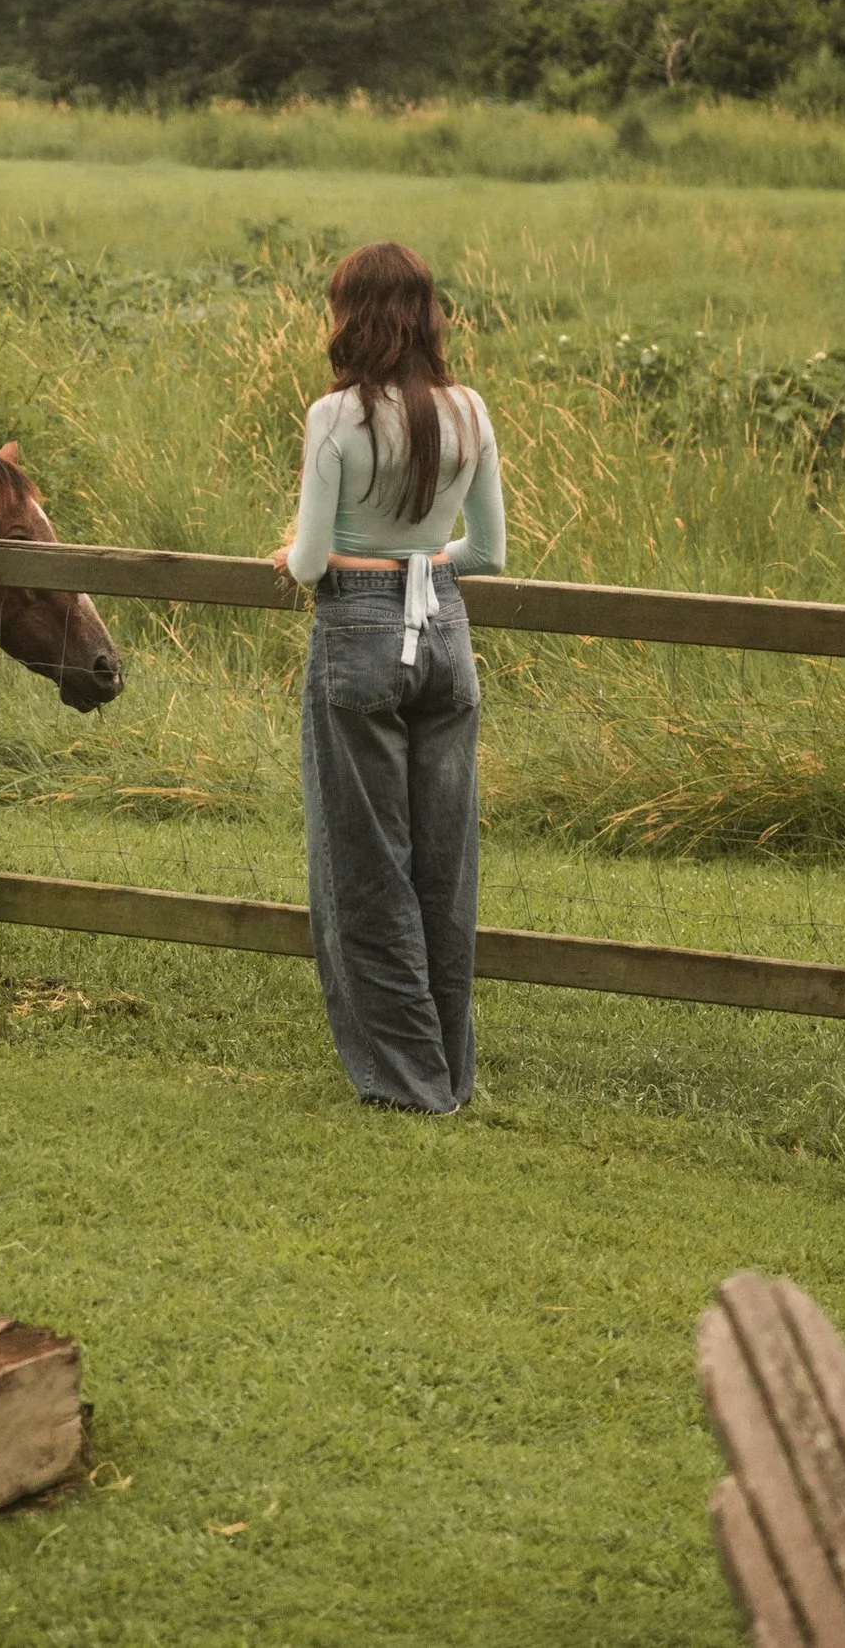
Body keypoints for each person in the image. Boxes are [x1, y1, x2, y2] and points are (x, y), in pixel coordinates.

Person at [270, 239, 505, 1115]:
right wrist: (420, 560)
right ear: (428, 312)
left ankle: (407, 1085)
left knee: (367, 863)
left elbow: (302, 564)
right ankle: (449, 1071)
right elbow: (487, 552)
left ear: (350, 317)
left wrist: (350, 559)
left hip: (360, 630)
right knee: (445, 868)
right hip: (445, 631)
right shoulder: (469, 409)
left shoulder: (335, 416)